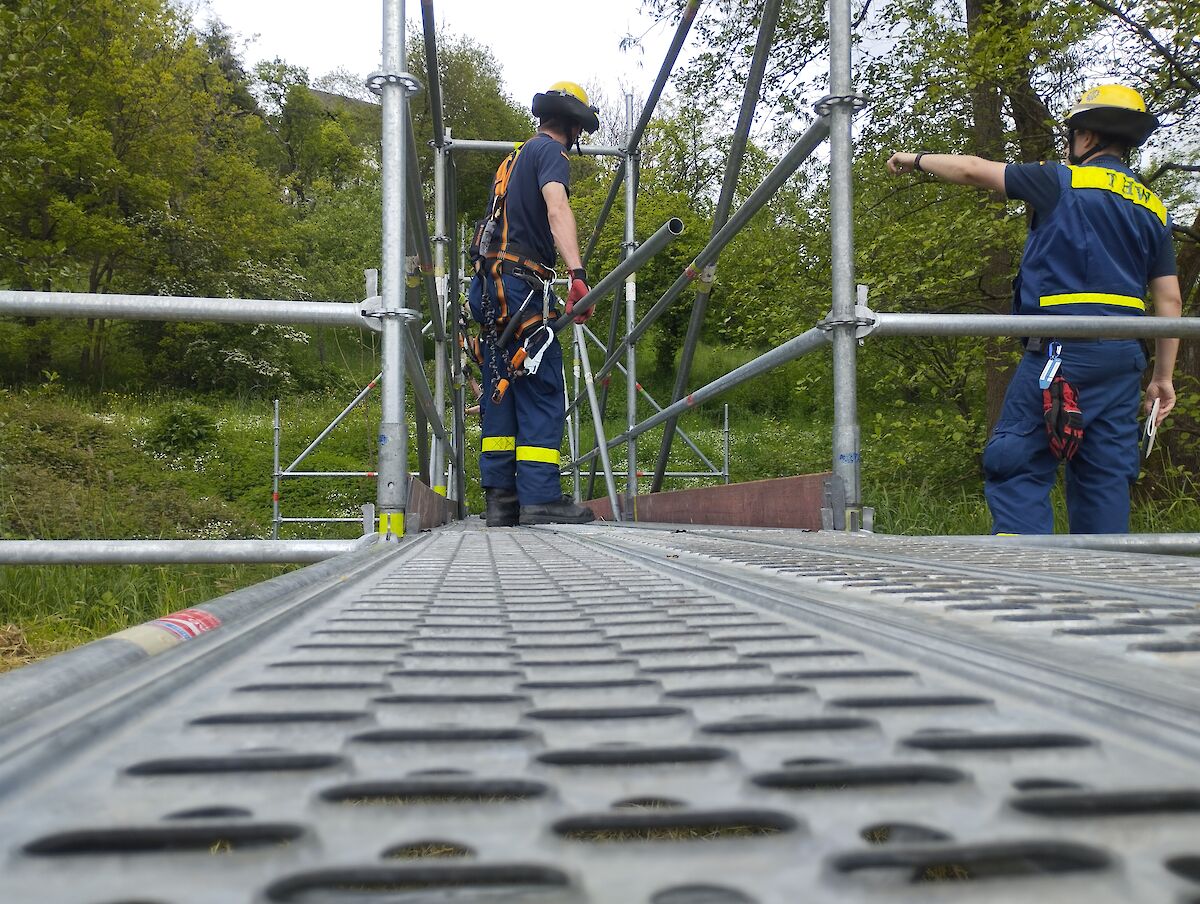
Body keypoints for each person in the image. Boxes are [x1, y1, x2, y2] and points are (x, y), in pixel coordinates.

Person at [886, 84, 1182, 534]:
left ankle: (1027, 581)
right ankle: (1102, 587)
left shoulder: (1062, 179)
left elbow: (971, 169)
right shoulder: (1154, 207)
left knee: (1017, 461)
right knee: (1105, 476)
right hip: (1123, 359)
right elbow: (1170, 301)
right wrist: (1162, 377)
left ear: (1085, 137)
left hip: (1063, 352)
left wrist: (915, 158)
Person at [468, 80, 600, 527]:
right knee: (541, 384)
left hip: (488, 287)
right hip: (521, 285)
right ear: (575, 126)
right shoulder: (550, 154)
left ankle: (502, 500)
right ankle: (542, 497)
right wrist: (576, 275)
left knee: (501, 385)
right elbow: (556, 206)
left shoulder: (511, 160)